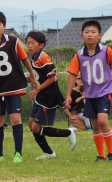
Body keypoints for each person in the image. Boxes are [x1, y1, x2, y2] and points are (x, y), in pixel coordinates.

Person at [0, 11, 39, 163]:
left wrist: (33, 75)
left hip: (14, 88)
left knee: (15, 119)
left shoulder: (13, 41)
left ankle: (18, 153)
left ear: (4, 26)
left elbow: (24, 59)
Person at [24, 31, 77, 160]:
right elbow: (35, 77)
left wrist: (36, 90)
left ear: (41, 45)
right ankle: (49, 153)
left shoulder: (44, 58)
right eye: (28, 43)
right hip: (41, 96)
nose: (29, 46)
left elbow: (52, 78)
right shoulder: (33, 58)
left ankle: (68, 132)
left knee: (36, 128)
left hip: (49, 96)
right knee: (31, 124)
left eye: (33, 43)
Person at [66, 20, 112, 162]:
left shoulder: (106, 51)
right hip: (90, 95)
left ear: (99, 35)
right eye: (87, 32)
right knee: (95, 125)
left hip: (105, 92)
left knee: (103, 121)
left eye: (93, 32)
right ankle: (101, 155)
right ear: (81, 36)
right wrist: (68, 95)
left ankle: (110, 153)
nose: (90, 35)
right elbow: (72, 74)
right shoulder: (79, 55)